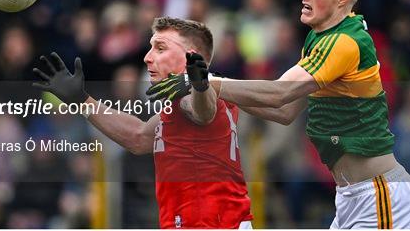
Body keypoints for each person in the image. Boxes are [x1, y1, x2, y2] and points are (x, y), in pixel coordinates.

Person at [147, 0, 410, 229]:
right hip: (351, 197)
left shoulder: (343, 42)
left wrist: (207, 82)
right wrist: (206, 87)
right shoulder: (320, 38)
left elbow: (279, 93)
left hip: (381, 198)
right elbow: (284, 111)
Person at [32, 17, 253, 229]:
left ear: (189, 56)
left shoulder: (197, 93)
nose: (148, 57)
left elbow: (202, 111)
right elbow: (137, 137)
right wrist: (82, 101)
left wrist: (199, 86)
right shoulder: (182, 101)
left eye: (160, 48)